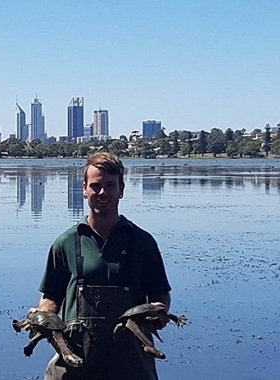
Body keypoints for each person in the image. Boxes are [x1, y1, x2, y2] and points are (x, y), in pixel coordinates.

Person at [33, 152, 172, 380]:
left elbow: (160, 294)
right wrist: (44, 317)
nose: (102, 192)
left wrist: (158, 311)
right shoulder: (66, 243)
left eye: (110, 185)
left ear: (122, 189)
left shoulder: (143, 243)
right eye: (96, 186)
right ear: (84, 189)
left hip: (132, 368)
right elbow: (50, 297)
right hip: (75, 366)